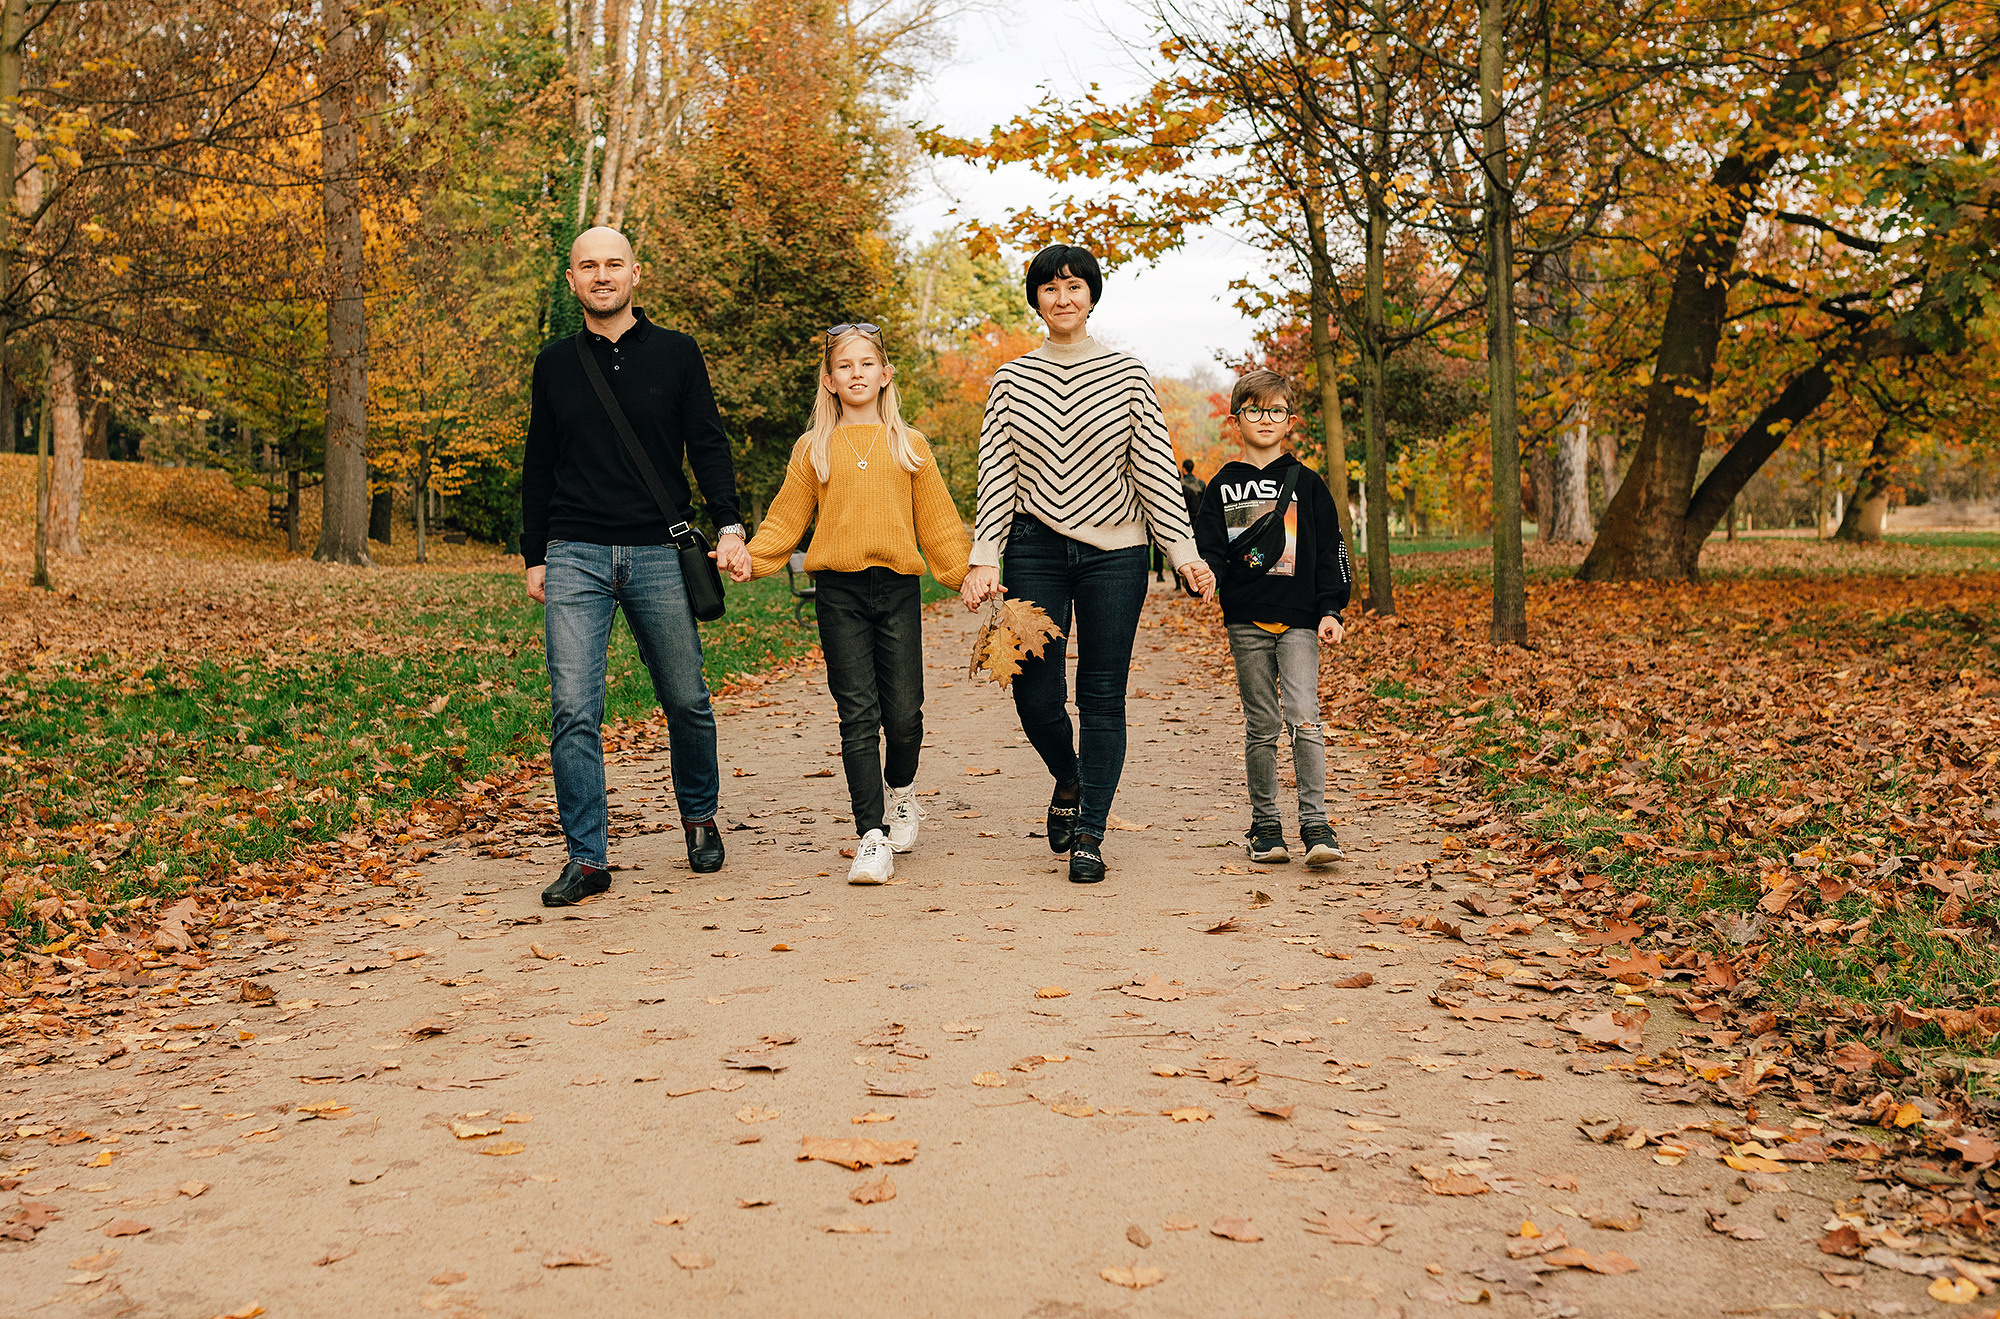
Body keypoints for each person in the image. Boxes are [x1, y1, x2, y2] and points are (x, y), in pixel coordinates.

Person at [959, 243, 1217, 883]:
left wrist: (1182, 553)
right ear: (1036, 300)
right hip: (1034, 547)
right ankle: (1069, 779)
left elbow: (1154, 470)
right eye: (1050, 288)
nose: (1063, 297)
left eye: (1074, 286)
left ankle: (1090, 835)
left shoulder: (1129, 376)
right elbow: (996, 473)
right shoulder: (1011, 380)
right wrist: (985, 556)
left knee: (1102, 694)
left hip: (1117, 554)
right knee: (1033, 690)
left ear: (1092, 296)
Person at [521, 226, 752, 906]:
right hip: (575, 552)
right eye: (588, 266)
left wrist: (730, 522)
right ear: (572, 280)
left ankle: (701, 818)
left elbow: (707, 442)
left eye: (613, 264)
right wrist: (534, 553)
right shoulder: (554, 363)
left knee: (687, 697)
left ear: (635, 274)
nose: (601, 275)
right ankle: (587, 859)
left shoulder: (678, 354)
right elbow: (539, 461)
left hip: (659, 551)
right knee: (573, 708)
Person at [728, 323, 970, 884]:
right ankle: (872, 836)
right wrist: (754, 558)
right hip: (838, 592)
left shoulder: (910, 445)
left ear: (885, 375)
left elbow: (937, 524)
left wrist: (966, 575)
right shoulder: (814, 448)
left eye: (867, 363)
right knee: (857, 713)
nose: (856, 373)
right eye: (845, 365)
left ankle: (903, 793)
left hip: (897, 589)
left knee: (904, 715)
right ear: (830, 380)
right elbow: (787, 519)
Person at [1192, 368, 1352, 868]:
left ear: (1291, 421)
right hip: (1246, 620)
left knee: (1305, 719)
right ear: (1237, 419)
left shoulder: (1308, 484)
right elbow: (1210, 548)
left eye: (1276, 411)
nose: (1266, 419)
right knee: (1262, 724)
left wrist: (1332, 608)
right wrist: (1207, 577)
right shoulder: (1222, 485)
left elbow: (1332, 550)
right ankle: (1265, 827)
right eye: (1254, 410)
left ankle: (1316, 824)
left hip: (1302, 619)